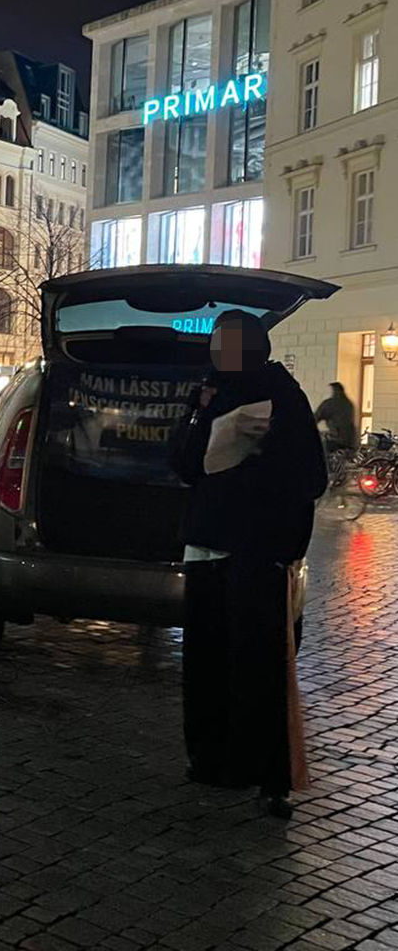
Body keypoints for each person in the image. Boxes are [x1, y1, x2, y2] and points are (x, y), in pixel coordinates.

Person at [172, 310, 326, 819]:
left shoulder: (285, 397)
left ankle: (266, 775)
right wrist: (200, 416)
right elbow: (183, 464)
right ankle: (210, 759)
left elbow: (310, 477)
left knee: (257, 663)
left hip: (258, 548)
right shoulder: (206, 389)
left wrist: (263, 452)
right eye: (219, 344)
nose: (224, 353)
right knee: (206, 660)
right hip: (208, 544)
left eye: (233, 344)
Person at [314, 381, 357, 452]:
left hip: (336, 440)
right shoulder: (349, 403)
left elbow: (316, 418)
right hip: (351, 440)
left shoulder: (330, 404)